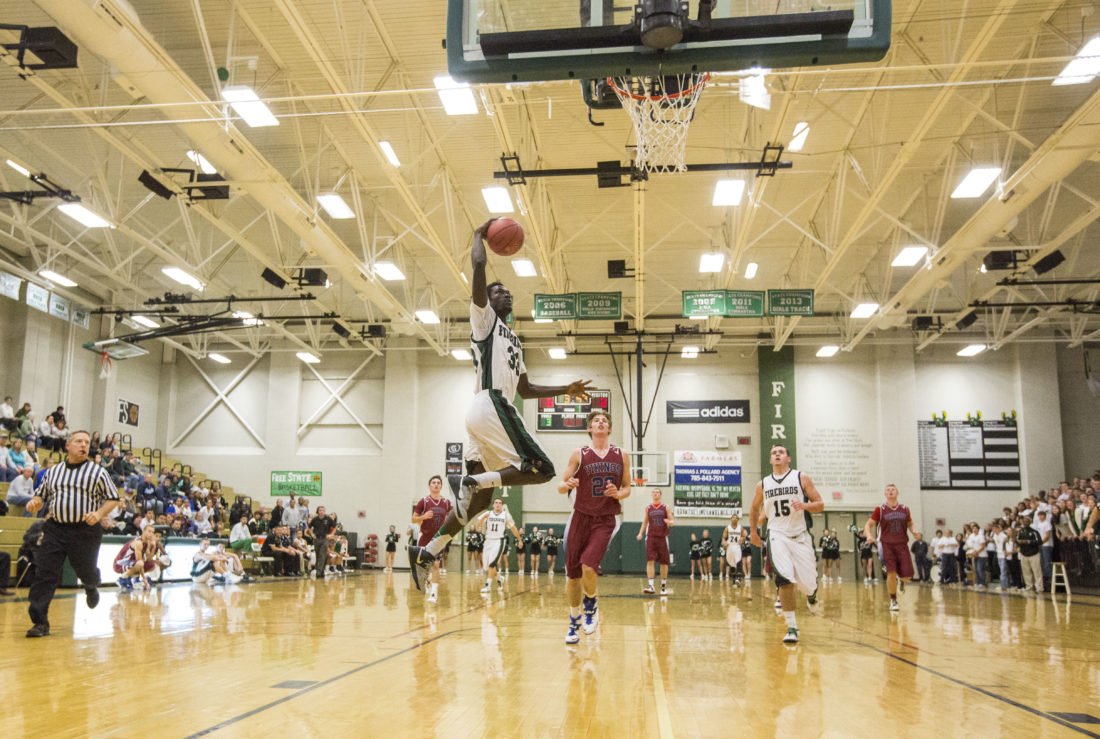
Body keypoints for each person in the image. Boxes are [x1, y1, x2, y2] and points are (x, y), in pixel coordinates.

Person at [408, 221, 594, 592]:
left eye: (507, 292)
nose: (504, 293)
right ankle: (471, 480)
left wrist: (565, 389)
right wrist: (477, 234)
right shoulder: (484, 321)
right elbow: (478, 269)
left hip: (488, 416)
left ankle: (428, 551)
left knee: (478, 504)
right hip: (490, 406)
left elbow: (525, 389)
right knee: (542, 468)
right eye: (497, 291)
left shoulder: (515, 340)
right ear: (487, 301)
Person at [24, 430, 120, 637]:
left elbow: (113, 498)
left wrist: (99, 513)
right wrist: (35, 503)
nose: (84, 445)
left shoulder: (97, 472)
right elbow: (41, 495)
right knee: (45, 574)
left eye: (86, 442)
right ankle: (40, 622)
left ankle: (91, 583)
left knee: (85, 569)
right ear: (68, 446)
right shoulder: (54, 471)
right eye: (79, 441)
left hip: (85, 530)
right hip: (56, 528)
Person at [558, 410, 629, 644]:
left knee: (588, 565)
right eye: (596, 421)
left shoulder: (622, 454)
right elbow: (560, 486)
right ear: (589, 429)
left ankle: (590, 606)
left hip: (605, 518)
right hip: (581, 517)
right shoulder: (579, 453)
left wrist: (618, 493)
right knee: (573, 573)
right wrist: (567, 483)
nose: (601, 423)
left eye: (605, 421)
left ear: (609, 429)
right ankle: (573, 620)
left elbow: (627, 487)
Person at [749, 444, 824, 645]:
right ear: (770, 460)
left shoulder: (801, 478)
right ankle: (791, 627)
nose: (777, 455)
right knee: (784, 578)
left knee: (808, 585)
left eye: (781, 452)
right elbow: (754, 509)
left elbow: (820, 504)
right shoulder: (763, 484)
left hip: (800, 535)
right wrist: (754, 532)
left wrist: (805, 505)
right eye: (774, 453)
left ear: (788, 458)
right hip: (777, 534)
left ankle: (811, 595)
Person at [862, 484, 916, 611]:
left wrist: (914, 531)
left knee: (906, 576)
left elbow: (910, 523)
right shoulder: (880, 509)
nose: (890, 491)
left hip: (902, 544)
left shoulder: (905, 509)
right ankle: (893, 600)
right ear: (885, 494)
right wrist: (869, 535)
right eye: (888, 490)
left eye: (893, 490)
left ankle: (902, 581)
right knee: (891, 572)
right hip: (886, 544)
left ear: (897, 492)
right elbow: (868, 525)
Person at [412, 476, 452, 602]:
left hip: (438, 538)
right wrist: (423, 517)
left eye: (438, 483)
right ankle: (427, 581)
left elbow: (451, 517)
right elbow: (413, 519)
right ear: (429, 486)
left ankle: (434, 593)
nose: (436, 484)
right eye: (433, 483)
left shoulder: (446, 502)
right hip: (424, 538)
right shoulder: (423, 501)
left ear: (441, 486)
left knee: (436, 565)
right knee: (423, 567)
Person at [478, 497, 523, 596]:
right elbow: (479, 525)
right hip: (488, 540)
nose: (497, 504)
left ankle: (488, 585)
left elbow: (513, 528)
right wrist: (482, 519)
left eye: (499, 503)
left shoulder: (505, 515)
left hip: (499, 541)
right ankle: (499, 578)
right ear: (493, 505)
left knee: (492, 564)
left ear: (502, 505)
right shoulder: (488, 513)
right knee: (487, 567)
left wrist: (519, 540)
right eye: (496, 503)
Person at [637, 488, 673, 595]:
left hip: (662, 537)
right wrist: (640, 533)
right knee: (650, 561)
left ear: (660, 495)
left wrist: (669, 521)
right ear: (652, 495)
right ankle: (651, 586)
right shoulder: (648, 508)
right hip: (651, 537)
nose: (655, 494)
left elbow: (672, 522)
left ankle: (663, 585)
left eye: (657, 492)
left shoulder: (665, 507)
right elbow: (645, 522)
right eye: (654, 492)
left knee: (664, 562)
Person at [1017, 515, 1043, 594]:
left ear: (1029, 522)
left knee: (1037, 572)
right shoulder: (1020, 532)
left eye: (1026, 522)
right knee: (1026, 572)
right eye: (1023, 522)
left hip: (1034, 554)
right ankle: (1029, 587)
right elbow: (1018, 541)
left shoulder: (1034, 532)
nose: (1025, 523)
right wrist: (1020, 543)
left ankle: (1039, 587)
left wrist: (1029, 542)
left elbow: (1040, 542)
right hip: (1024, 554)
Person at [722, 514, 743, 582]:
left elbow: (744, 536)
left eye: (736, 518)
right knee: (731, 562)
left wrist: (742, 539)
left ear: (738, 520)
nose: (734, 519)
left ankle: (739, 578)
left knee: (738, 560)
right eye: (733, 518)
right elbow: (723, 538)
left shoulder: (740, 527)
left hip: (737, 546)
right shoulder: (727, 528)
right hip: (730, 546)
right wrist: (724, 542)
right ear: (731, 519)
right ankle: (733, 578)